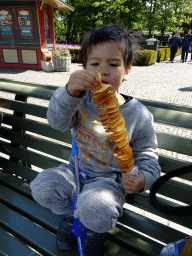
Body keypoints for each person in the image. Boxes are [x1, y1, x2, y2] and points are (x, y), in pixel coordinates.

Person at [30, 24, 161, 256]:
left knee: (96, 206)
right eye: (94, 64)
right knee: (43, 186)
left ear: (127, 69)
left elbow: (148, 154)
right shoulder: (78, 100)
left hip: (108, 182)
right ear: (85, 68)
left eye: (113, 64)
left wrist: (144, 178)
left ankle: (93, 234)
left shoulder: (138, 114)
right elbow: (57, 122)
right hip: (75, 171)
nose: (103, 72)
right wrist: (69, 93)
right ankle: (71, 218)